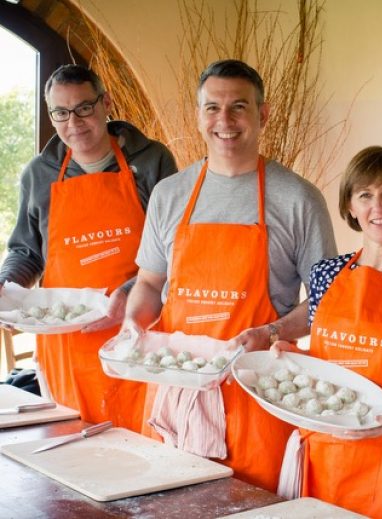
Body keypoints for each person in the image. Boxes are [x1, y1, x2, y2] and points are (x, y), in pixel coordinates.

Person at [120, 59, 337, 492]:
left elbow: (326, 301)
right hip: (176, 386)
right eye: (212, 108)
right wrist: (132, 324)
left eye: (239, 107)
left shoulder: (298, 199)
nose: (225, 120)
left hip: (255, 393)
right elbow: (148, 283)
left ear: (264, 113)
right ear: (198, 114)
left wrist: (272, 330)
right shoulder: (169, 195)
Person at [260, 146, 382, 519]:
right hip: (325, 448)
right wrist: (291, 356)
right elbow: (328, 364)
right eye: (365, 195)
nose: (378, 207)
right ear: (351, 207)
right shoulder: (324, 276)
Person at [0, 64, 177, 431]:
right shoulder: (39, 173)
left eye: (84, 107)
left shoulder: (152, 160)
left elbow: (176, 250)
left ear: (105, 103)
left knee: (142, 447)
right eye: (60, 113)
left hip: (137, 332)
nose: (73, 122)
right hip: (67, 345)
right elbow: (28, 252)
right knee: (72, 445)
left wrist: (130, 293)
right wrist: (5, 284)